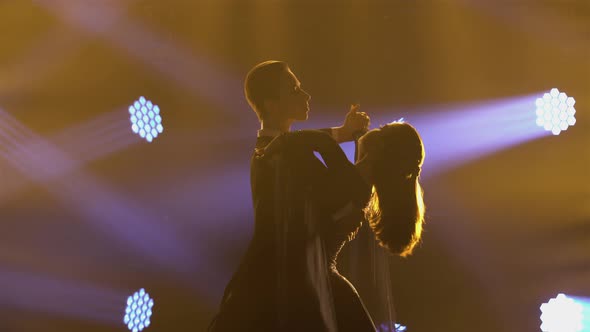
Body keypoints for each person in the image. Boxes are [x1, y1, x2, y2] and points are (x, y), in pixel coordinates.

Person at [208, 60, 370, 332]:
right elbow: (345, 192)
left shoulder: (272, 149)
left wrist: (343, 133)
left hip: (291, 274)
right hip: (295, 280)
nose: (305, 95)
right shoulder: (283, 154)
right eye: (294, 90)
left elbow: (307, 140)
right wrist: (366, 154)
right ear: (272, 104)